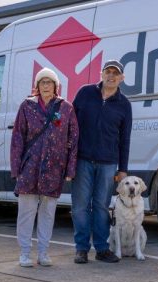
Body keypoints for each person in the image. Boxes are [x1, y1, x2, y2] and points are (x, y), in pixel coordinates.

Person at [10, 67, 78, 267]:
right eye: (42, 82)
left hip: (54, 169)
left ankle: (43, 253)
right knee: (26, 213)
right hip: (29, 167)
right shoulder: (26, 106)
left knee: (48, 213)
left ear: (56, 86)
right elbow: (17, 138)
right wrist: (16, 168)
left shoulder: (66, 108)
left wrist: (70, 169)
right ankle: (24, 253)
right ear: (37, 86)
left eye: (50, 82)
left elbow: (73, 139)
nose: (46, 85)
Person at [72, 60, 133, 264]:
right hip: (82, 160)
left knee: (101, 206)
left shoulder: (124, 104)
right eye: (108, 72)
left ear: (122, 78)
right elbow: (71, 127)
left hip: (108, 163)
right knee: (80, 206)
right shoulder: (84, 93)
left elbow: (125, 139)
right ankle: (81, 249)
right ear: (101, 73)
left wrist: (122, 169)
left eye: (116, 73)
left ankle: (101, 248)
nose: (111, 76)